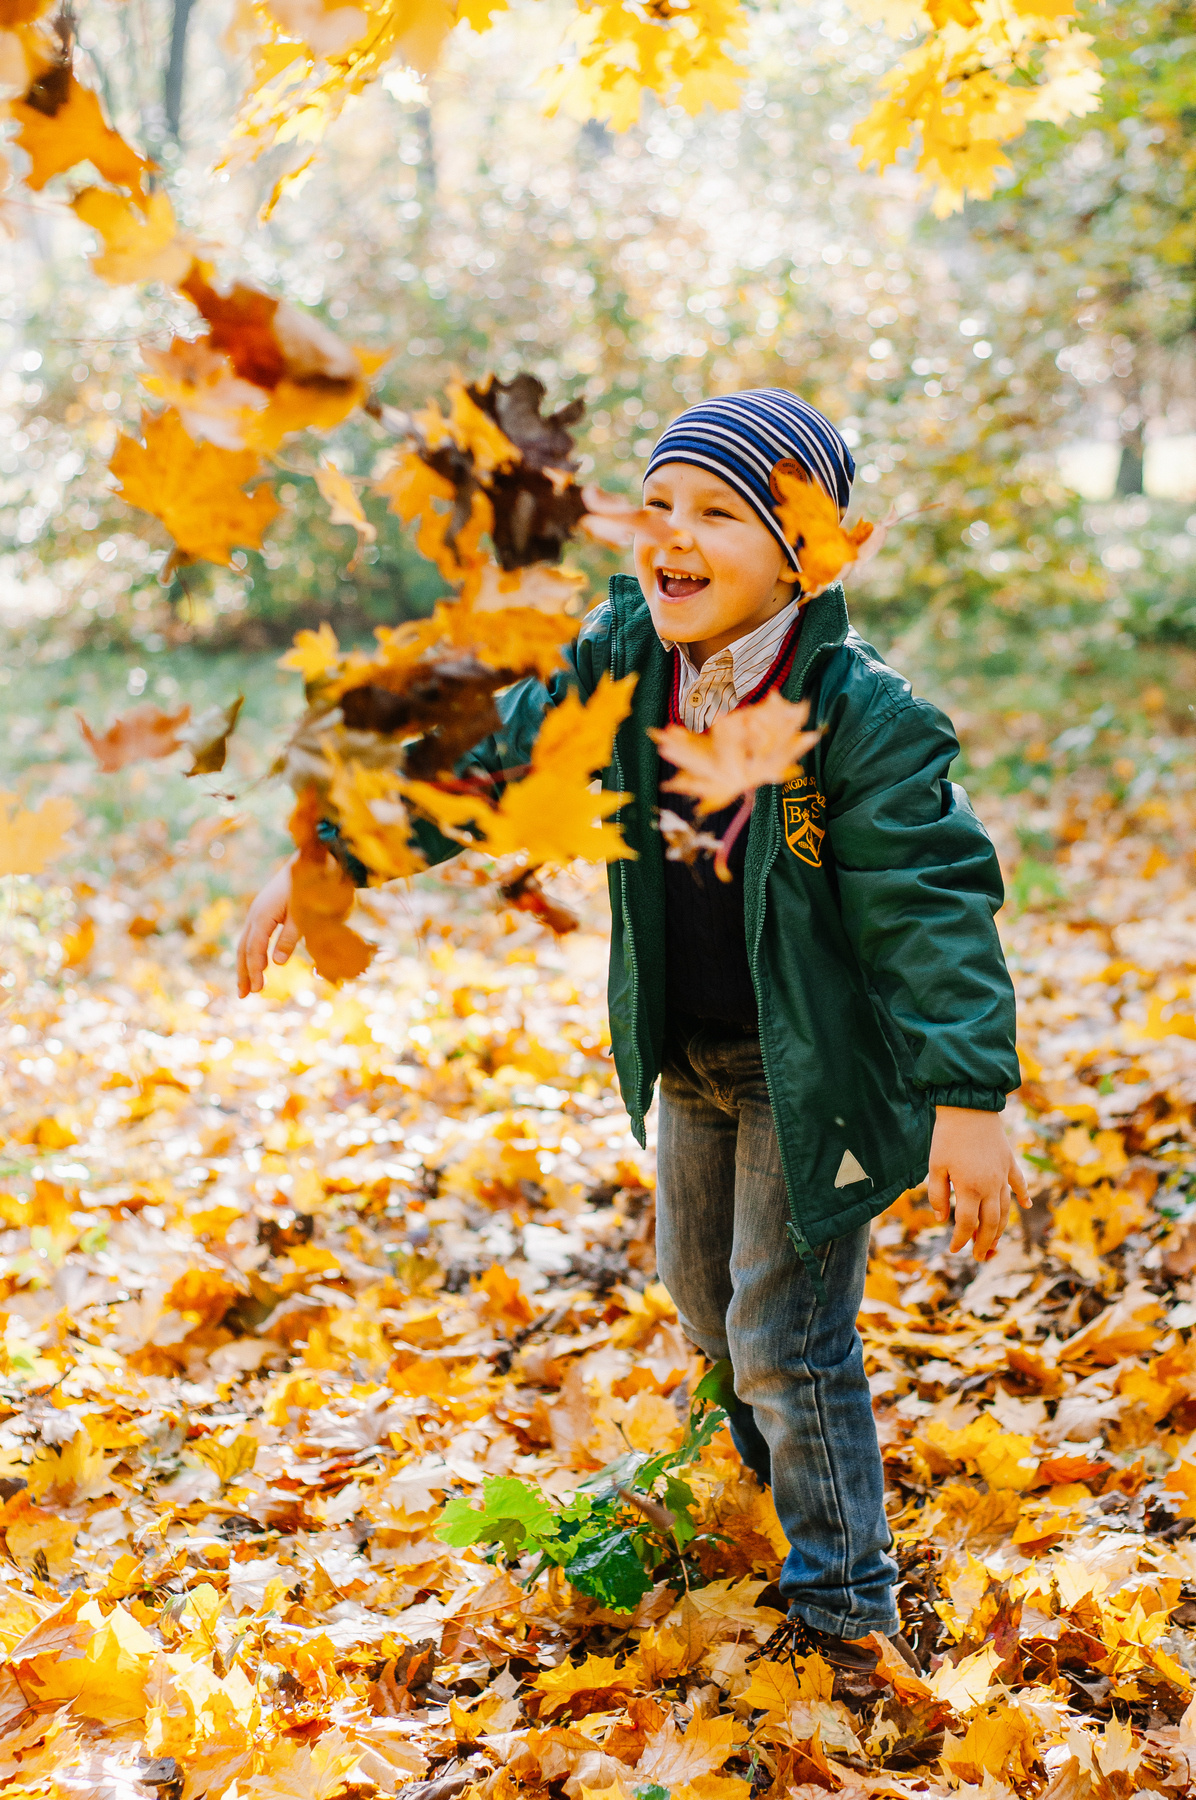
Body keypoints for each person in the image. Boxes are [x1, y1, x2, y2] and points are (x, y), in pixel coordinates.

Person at [238, 388, 1026, 1672]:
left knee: (785, 1336)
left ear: (804, 553)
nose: (674, 531)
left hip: (811, 1072)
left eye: (719, 511)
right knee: (705, 1306)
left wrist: (967, 1096)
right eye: (658, 503)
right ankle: (782, 1505)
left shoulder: (856, 715)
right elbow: (490, 765)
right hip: (689, 1052)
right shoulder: (620, 666)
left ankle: (849, 1610)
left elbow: (927, 906)